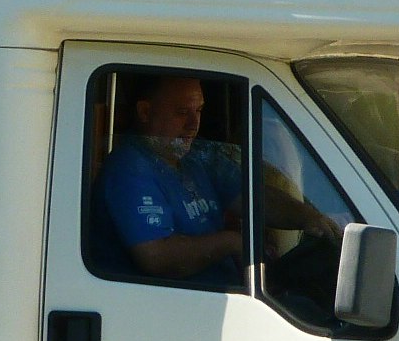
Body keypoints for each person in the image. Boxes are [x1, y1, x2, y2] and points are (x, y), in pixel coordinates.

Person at [101, 74, 341, 290]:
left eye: (198, 111)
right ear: (145, 112)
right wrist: (231, 242)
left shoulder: (196, 157)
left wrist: (310, 218)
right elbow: (156, 256)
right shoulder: (129, 168)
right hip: (175, 304)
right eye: (182, 112)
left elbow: (254, 197)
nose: (193, 124)